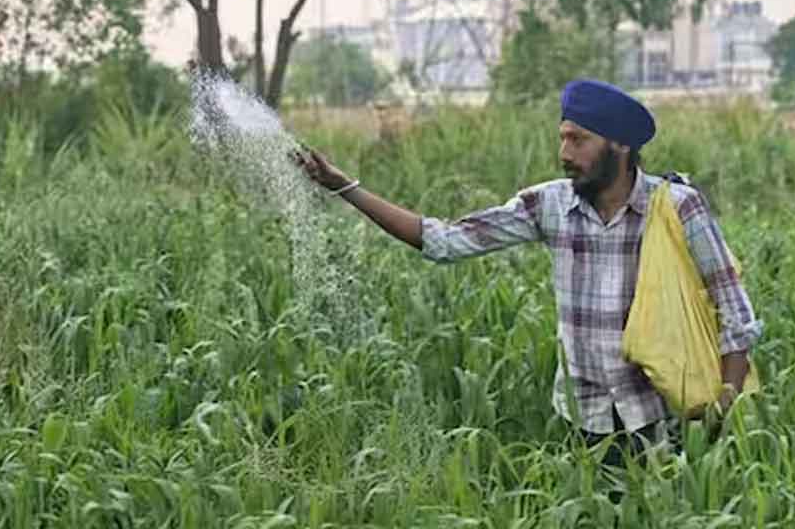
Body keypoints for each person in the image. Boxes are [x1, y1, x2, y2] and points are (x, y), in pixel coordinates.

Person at [293, 78, 763, 487]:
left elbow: (734, 312)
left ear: (618, 145)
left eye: (578, 140)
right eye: (561, 138)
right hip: (584, 418)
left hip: (662, 418)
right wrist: (343, 187)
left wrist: (722, 405)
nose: (564, 154)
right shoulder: (550, 205)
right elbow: (446, 241)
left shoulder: (676, 208)